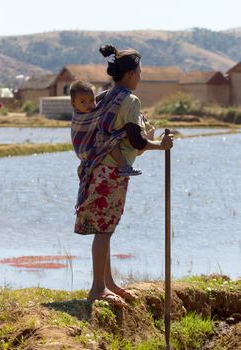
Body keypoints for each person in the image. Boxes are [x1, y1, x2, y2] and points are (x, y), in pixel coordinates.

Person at [72, 44, 173, 305]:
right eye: (139, 71)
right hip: (112, 172)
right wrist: (160, 145)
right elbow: (137, 141)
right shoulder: (129, 99)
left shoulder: (106, 96)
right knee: (104, 230)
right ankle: (97, 288)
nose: (140, 76)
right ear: (129, 74)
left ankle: (108, 283)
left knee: (104, 227)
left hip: (96, 169)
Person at [70, 80, 142, 177]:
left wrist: (111, 92)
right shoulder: (81, 116)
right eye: (83, 102)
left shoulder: (89, 109)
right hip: (85, 151)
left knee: (104, 136)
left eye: (92, 100)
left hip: (88, 150)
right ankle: (123, 166)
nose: (89, 105)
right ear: (73, 104)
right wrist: (117, 95)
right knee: (106, 137)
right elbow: (104, 106)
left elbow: (102, 99)